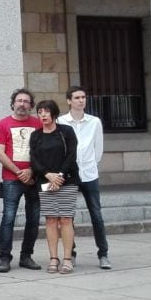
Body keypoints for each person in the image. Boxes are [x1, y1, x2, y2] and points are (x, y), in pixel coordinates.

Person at [58, 86, 111, 270]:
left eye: (83, 97)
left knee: (96, 214)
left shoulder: (94, 122)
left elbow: (98, 149)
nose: (81, 100)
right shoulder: (61, 121)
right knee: (67, 216)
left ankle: (103, 254)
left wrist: (89, 165)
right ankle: (70, 253)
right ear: (69, 101)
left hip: (89, 174)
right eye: (77, 97)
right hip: (69, 175)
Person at [0, 88, 43, 273]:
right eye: (19, 100)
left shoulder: (38, 124)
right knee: (8, 218)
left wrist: (31, 170)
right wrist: (19, 171)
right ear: (13, 103)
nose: (22, 104)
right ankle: (4, 258)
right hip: (11, 179)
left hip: (34, 178)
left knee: (34, 219)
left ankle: (26, 256)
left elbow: (42, 152)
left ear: (31, 105)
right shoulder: (2, 124)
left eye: (26, 101)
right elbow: (0, 153)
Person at [30, 100, 80, 274]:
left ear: (54, 114)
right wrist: (47, 174)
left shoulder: (65, 131)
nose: (43, 115)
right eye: (40, 112)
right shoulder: (36, 135)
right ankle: (53, 258)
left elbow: (72, 154)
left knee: (65, 219)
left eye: (46, 111)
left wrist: (59, 175)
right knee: (51, 219)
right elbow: (34, 159)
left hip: (67, 180)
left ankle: (67, 259)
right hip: (45, 181)